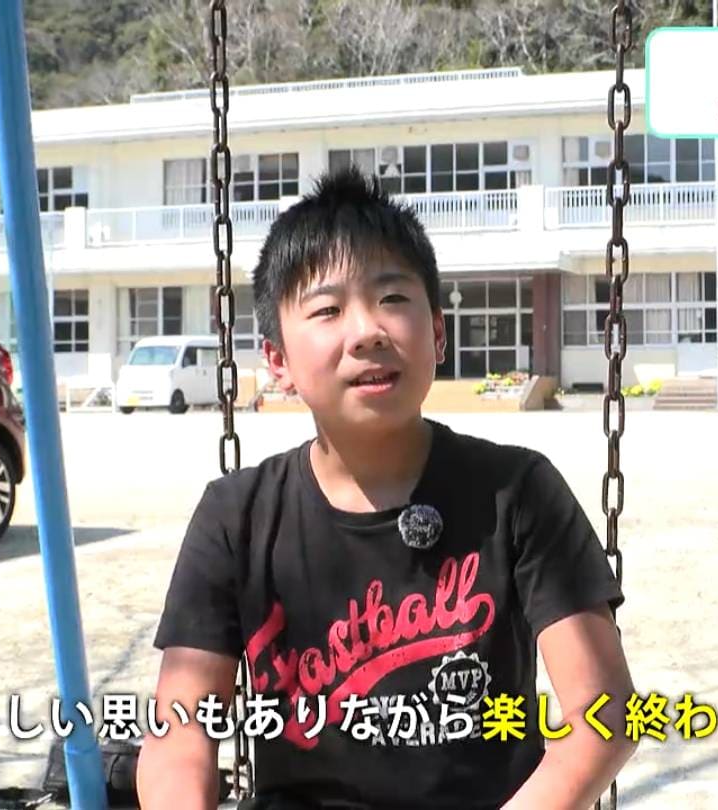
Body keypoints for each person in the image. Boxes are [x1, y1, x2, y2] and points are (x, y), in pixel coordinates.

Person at [138, 166, 636, 810]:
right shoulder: (237, 516)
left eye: (393, 298)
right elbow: (178, 735)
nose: (367, 331)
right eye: (327, 309)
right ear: (278, 361)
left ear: (438, 333)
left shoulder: (516, 493)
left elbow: (604, 715)